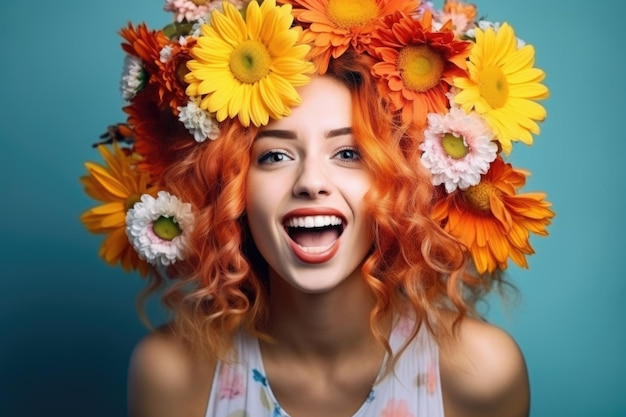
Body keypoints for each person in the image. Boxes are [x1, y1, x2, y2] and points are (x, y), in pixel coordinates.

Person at [80, 1, 554, 416]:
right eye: (275, 156)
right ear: (229, 189)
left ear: (405, 183)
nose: (310, 182)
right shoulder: (172, 373)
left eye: (349, 154)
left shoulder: (481, 375)